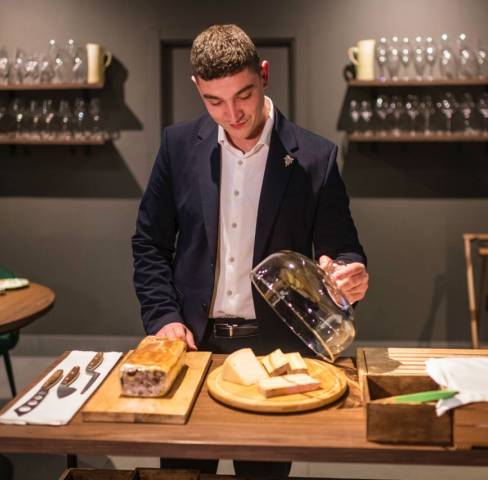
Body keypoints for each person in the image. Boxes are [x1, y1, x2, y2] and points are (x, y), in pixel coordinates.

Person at [132, 24, 368, 478]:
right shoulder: (178, 146)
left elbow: (344, 251)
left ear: (264, 73)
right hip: (194, 345)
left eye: (244, 95)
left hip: (275, 351)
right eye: (214, 101)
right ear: (196, 88)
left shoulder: (315, 158)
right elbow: (150, 243)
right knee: (183, 473)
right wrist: (163, 318)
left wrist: (350, 274)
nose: (233, 114)